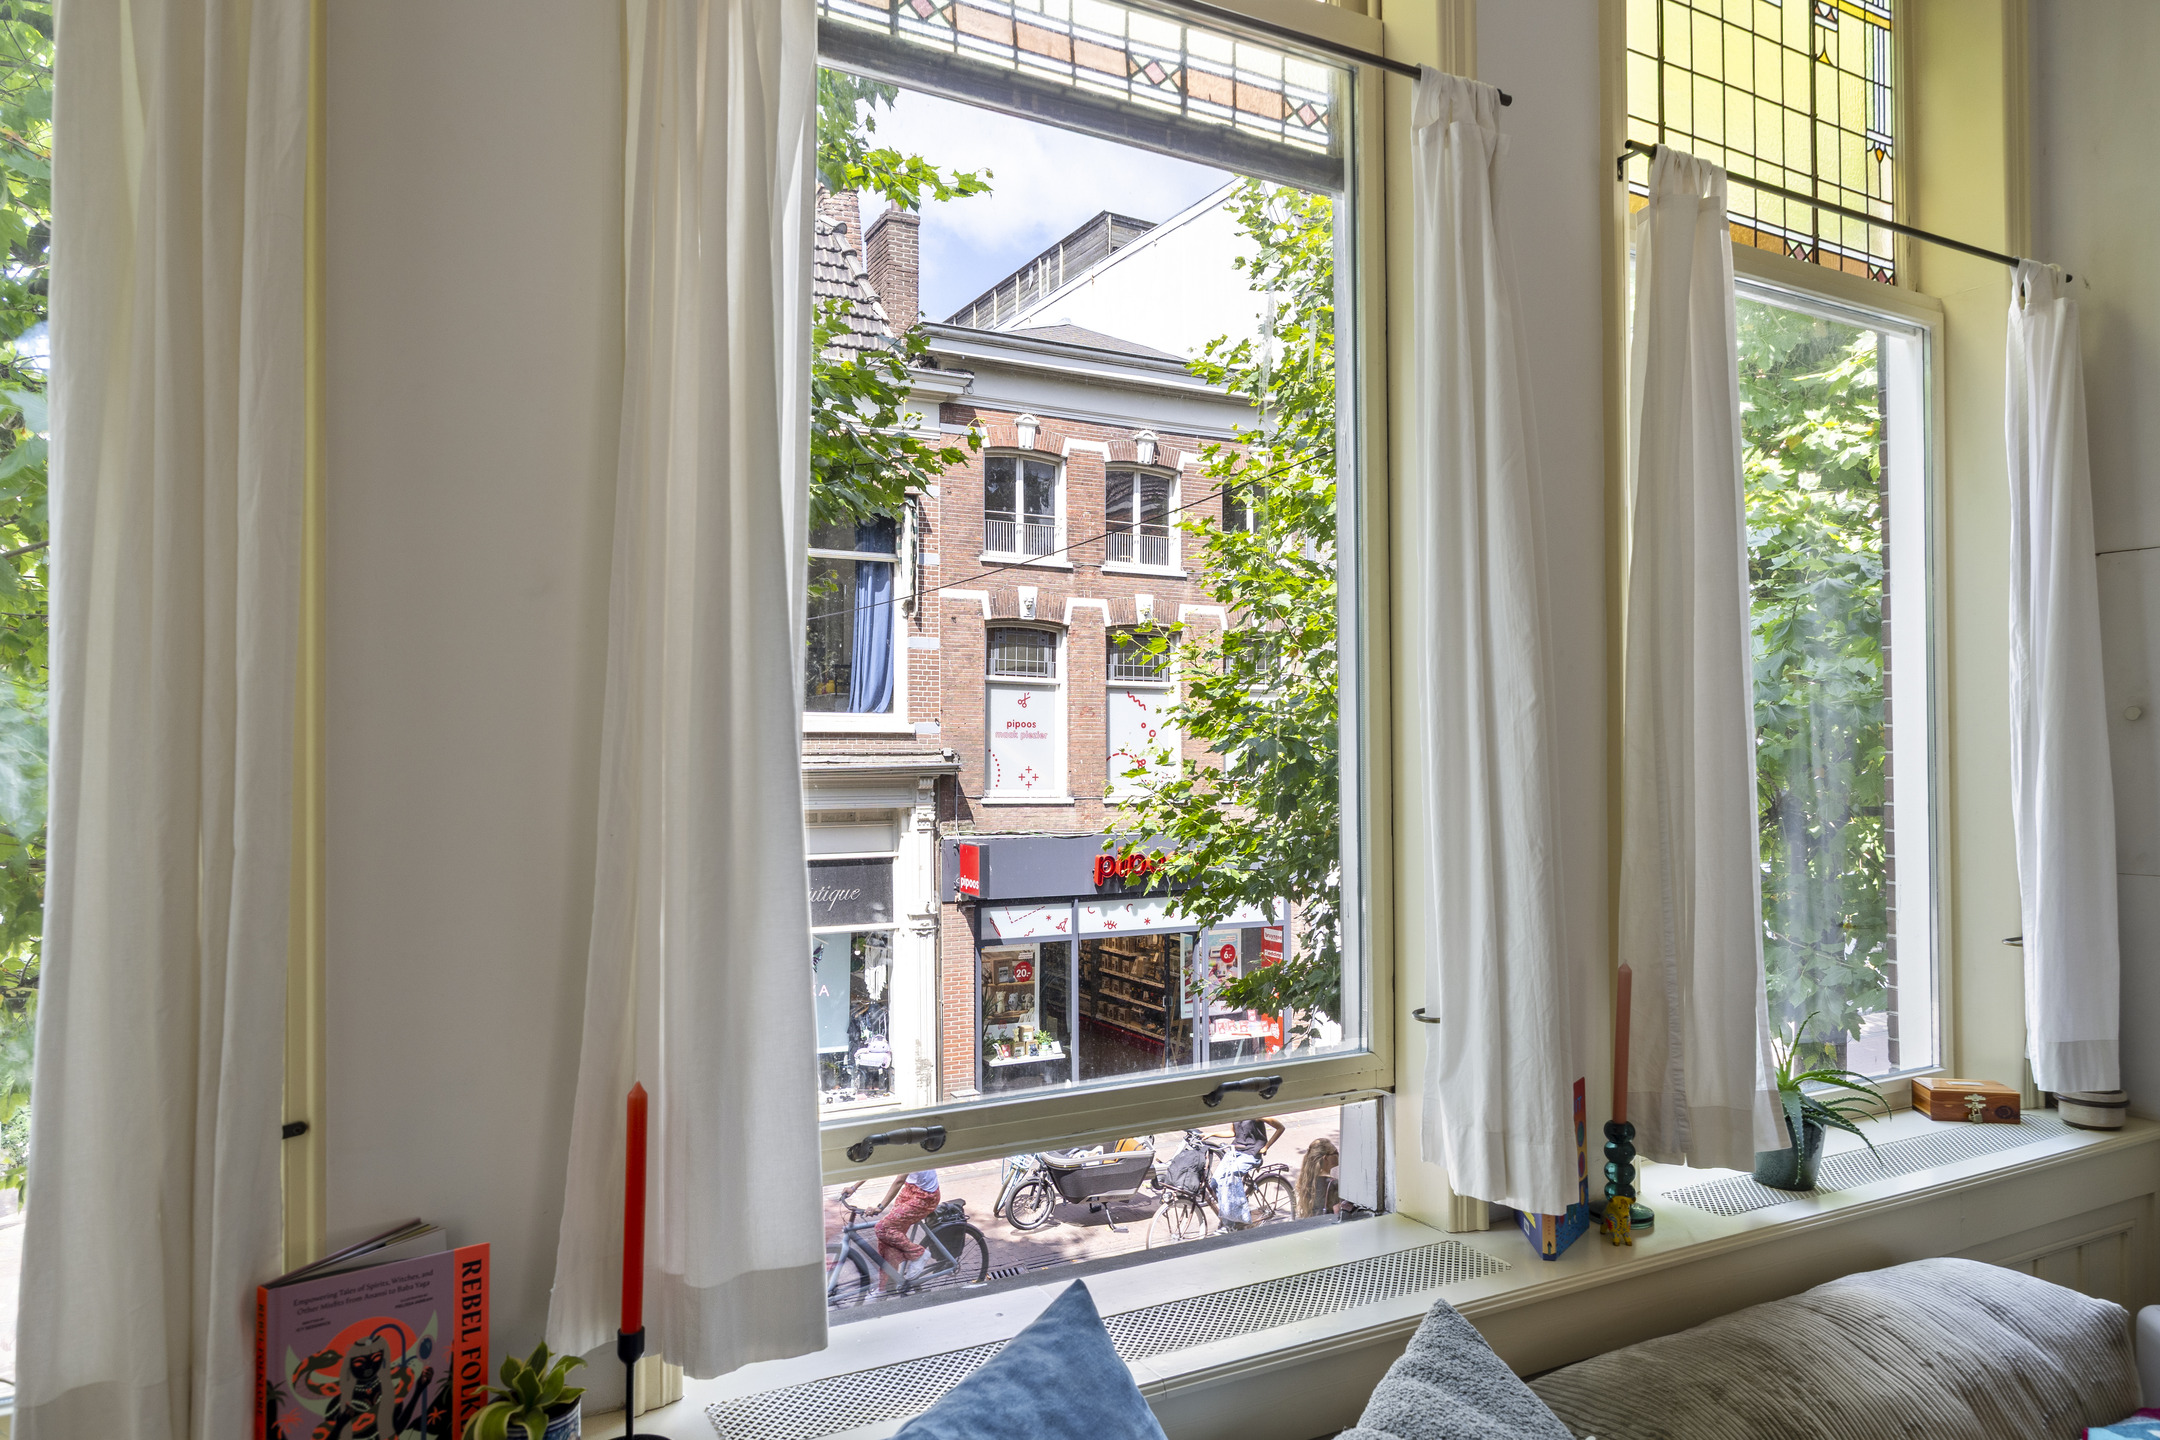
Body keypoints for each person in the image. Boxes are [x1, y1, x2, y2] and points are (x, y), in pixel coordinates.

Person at [844, 1168, 942, 1289]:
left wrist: (880, 1207)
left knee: (882, 1228)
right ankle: (886, 1288)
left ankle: (918, 1254)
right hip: (910, 1189)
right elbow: (875, 1166)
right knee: (886, 1242)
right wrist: (853, 1187)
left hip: (926, 1197)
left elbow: (899, 1181)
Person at [1214, 1117, 1282, 1228]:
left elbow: (1280, 1128)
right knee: (1215, 1182)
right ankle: (1231, 1216)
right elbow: (1232, 1133)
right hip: (1235, 1152)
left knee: (1229, 1178)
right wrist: (1211, 1134)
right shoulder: (1234, 1113)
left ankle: (1233, 1223)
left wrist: (1266, 1147)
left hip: (1251, 1154)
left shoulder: (1256, 1114)